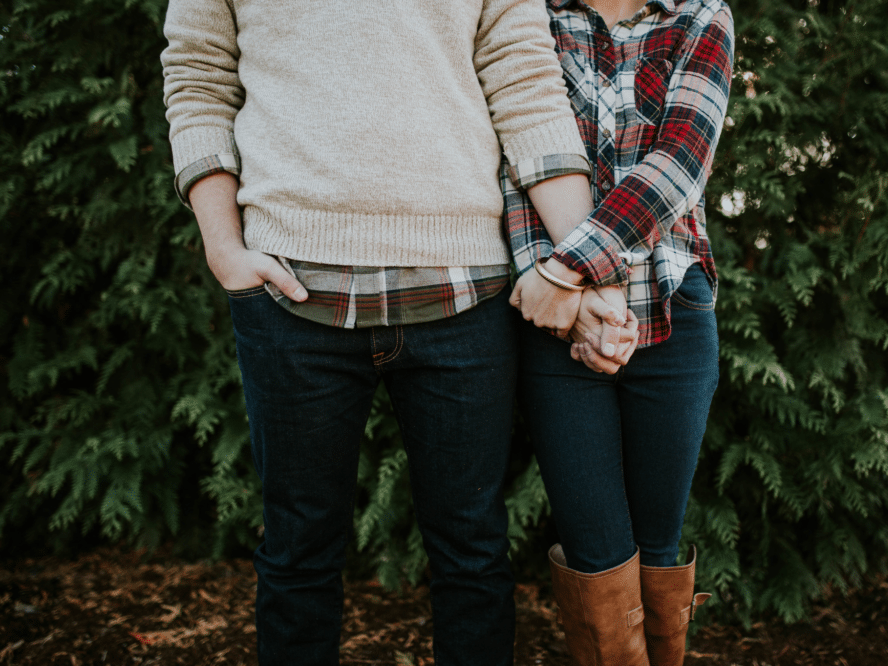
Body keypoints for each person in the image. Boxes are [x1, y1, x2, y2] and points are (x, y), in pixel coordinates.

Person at [160, 1, 606, 664]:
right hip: (291, 295)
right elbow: (197, 79)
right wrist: (223, 247)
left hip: (465, 293)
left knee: (473, 553)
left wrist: (585, 264)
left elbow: (526, 86)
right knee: (297, 553)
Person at [505, 0, 735, 664]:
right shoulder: (531, 15)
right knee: (596, 555)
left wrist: (569, 271)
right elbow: (516, 157)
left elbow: (680, 163)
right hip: (558, 323)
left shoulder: (698, 15)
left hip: (672, 306)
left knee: (658, 549)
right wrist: (568, 296)